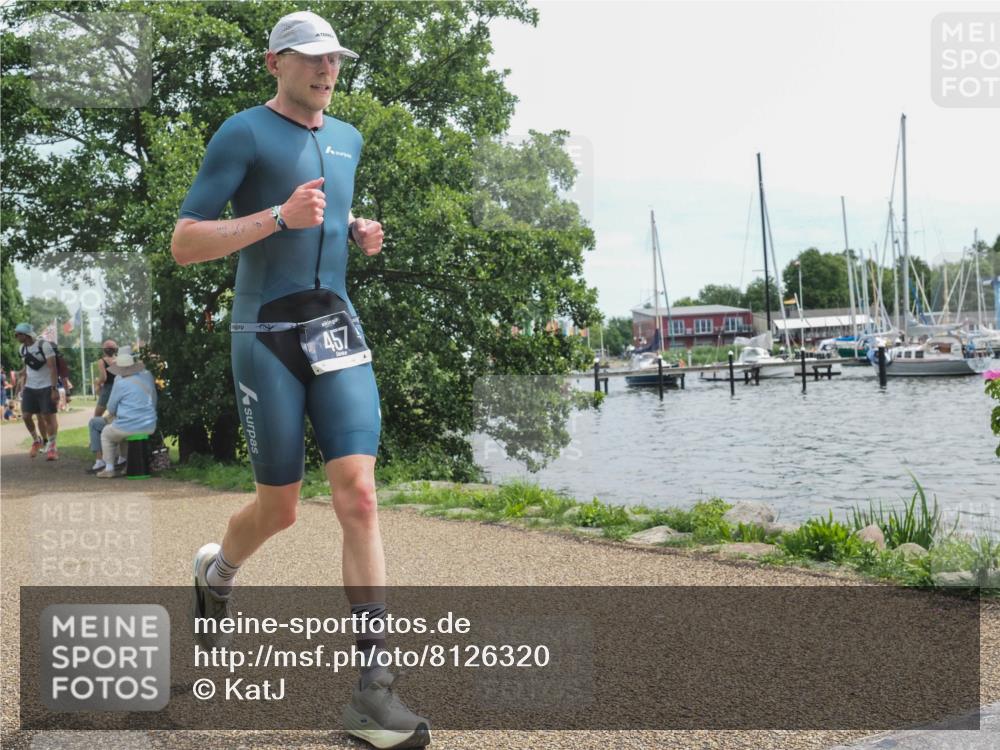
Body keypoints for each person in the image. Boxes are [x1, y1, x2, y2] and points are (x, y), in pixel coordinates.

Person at [170, 11, 428, 750]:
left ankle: (373, 692)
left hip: (336, 326)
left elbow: (328, 215)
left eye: (335, 60)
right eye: (312, 59)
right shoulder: (243, 133)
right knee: (279, 510)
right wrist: (278, 218)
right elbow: (187, 242)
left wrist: (354, 231)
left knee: (359, 494)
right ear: (274, 62)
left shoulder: (348, 138)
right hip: (265, 336)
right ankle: (216, 573)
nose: (326, 71)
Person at [13, 323, 59, 460]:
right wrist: (22, 385)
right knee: (26, 415)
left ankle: (52, 448)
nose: (16, 337)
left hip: (46, 386)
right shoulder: (22, 349)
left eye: (17, 334)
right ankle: (36, 441)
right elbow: (27, 368)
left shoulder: (44, 346)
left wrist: (54, 389)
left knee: (47, 417)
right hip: (30, 387)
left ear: (25, 335)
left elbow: (53, 368)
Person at [93, 340, 118, 417]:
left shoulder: (102, 361)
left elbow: (104, 378)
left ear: (104, 350)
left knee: (97, 415)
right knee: (116, 414)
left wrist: (97, 382)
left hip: (108, 388)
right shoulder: (119, 360)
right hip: (119, 387)